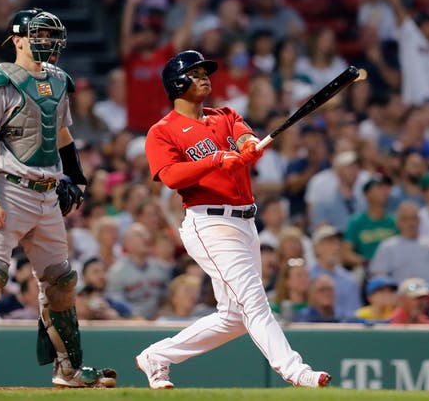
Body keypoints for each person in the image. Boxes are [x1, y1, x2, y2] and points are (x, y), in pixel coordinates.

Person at [136, 50, 331, 389]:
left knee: (234, 318)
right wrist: (214, 161)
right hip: (208, 222)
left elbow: (244, 137)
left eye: (205, 72)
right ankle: (294, 370)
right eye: (195, 73)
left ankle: (158, 356)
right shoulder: (162, 130)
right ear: (177, 83)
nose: (204, 77)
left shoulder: (224, 115)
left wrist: (250, 146)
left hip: (245, 221)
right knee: (254, 300)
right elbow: (170, 176)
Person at [0, 8, 116, 389]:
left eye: (51, 36)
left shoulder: (58, 80)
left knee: (62, 282)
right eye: (39, 35)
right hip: (8, 188)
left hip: (47, 194)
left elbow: (65, 138)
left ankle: (68, 369)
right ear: (18, 40)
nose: (48, 43)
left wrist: (78, 178)